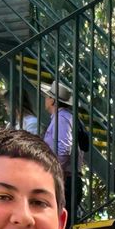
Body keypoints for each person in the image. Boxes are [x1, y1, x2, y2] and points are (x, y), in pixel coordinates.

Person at [40, 81, 78, 210]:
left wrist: (54, 172)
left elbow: (64, 148)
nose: (45, 99)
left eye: (47, 96)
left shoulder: (61, 118)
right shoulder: (61, 117)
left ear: (53, 101)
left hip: (65, 179)